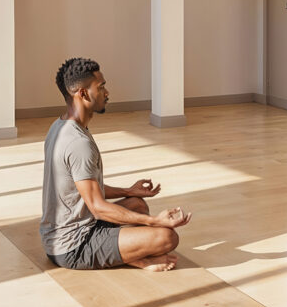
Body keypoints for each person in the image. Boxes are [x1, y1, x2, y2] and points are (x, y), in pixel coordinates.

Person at [41, 57, 188, 272]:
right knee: (166, 237)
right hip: (72, 246)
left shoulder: (60, 125)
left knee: (137, 203)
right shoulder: (78, 143)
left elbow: (82, 189)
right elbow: (98, 208)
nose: (107, 93)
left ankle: (124, 252)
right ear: (82, 93)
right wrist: (155, 222)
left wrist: (128, 190)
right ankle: (135, 259)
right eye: (101, 87)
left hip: (69, 229)